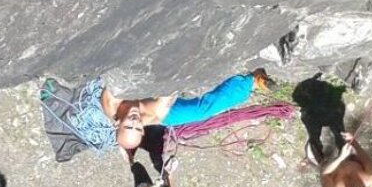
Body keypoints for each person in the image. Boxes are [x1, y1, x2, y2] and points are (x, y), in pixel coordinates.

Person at [101, 68, 269, 160]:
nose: (135, 121)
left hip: (137, 101)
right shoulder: (154, 113)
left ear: (117, 123)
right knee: (201, 111)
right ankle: (251, 82)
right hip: (163, 109)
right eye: (138, 128)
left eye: (129, 125)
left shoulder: (110, 101)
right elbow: (171, 87)